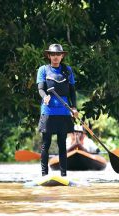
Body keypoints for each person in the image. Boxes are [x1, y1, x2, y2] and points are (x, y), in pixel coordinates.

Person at [36, 43, 78, 176]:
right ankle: (44, 175)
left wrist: (74, 107)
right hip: (48, 111)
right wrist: (45, 97)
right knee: (45, 144)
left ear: (62, 56)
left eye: (58, 54)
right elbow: (41, 89)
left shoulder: (67, 70)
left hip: (64, 112)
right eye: (53, 54)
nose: (55, 57)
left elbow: (72, 91)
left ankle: (63, 175)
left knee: (62, 144)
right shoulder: (43, 69)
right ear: (49, 56)